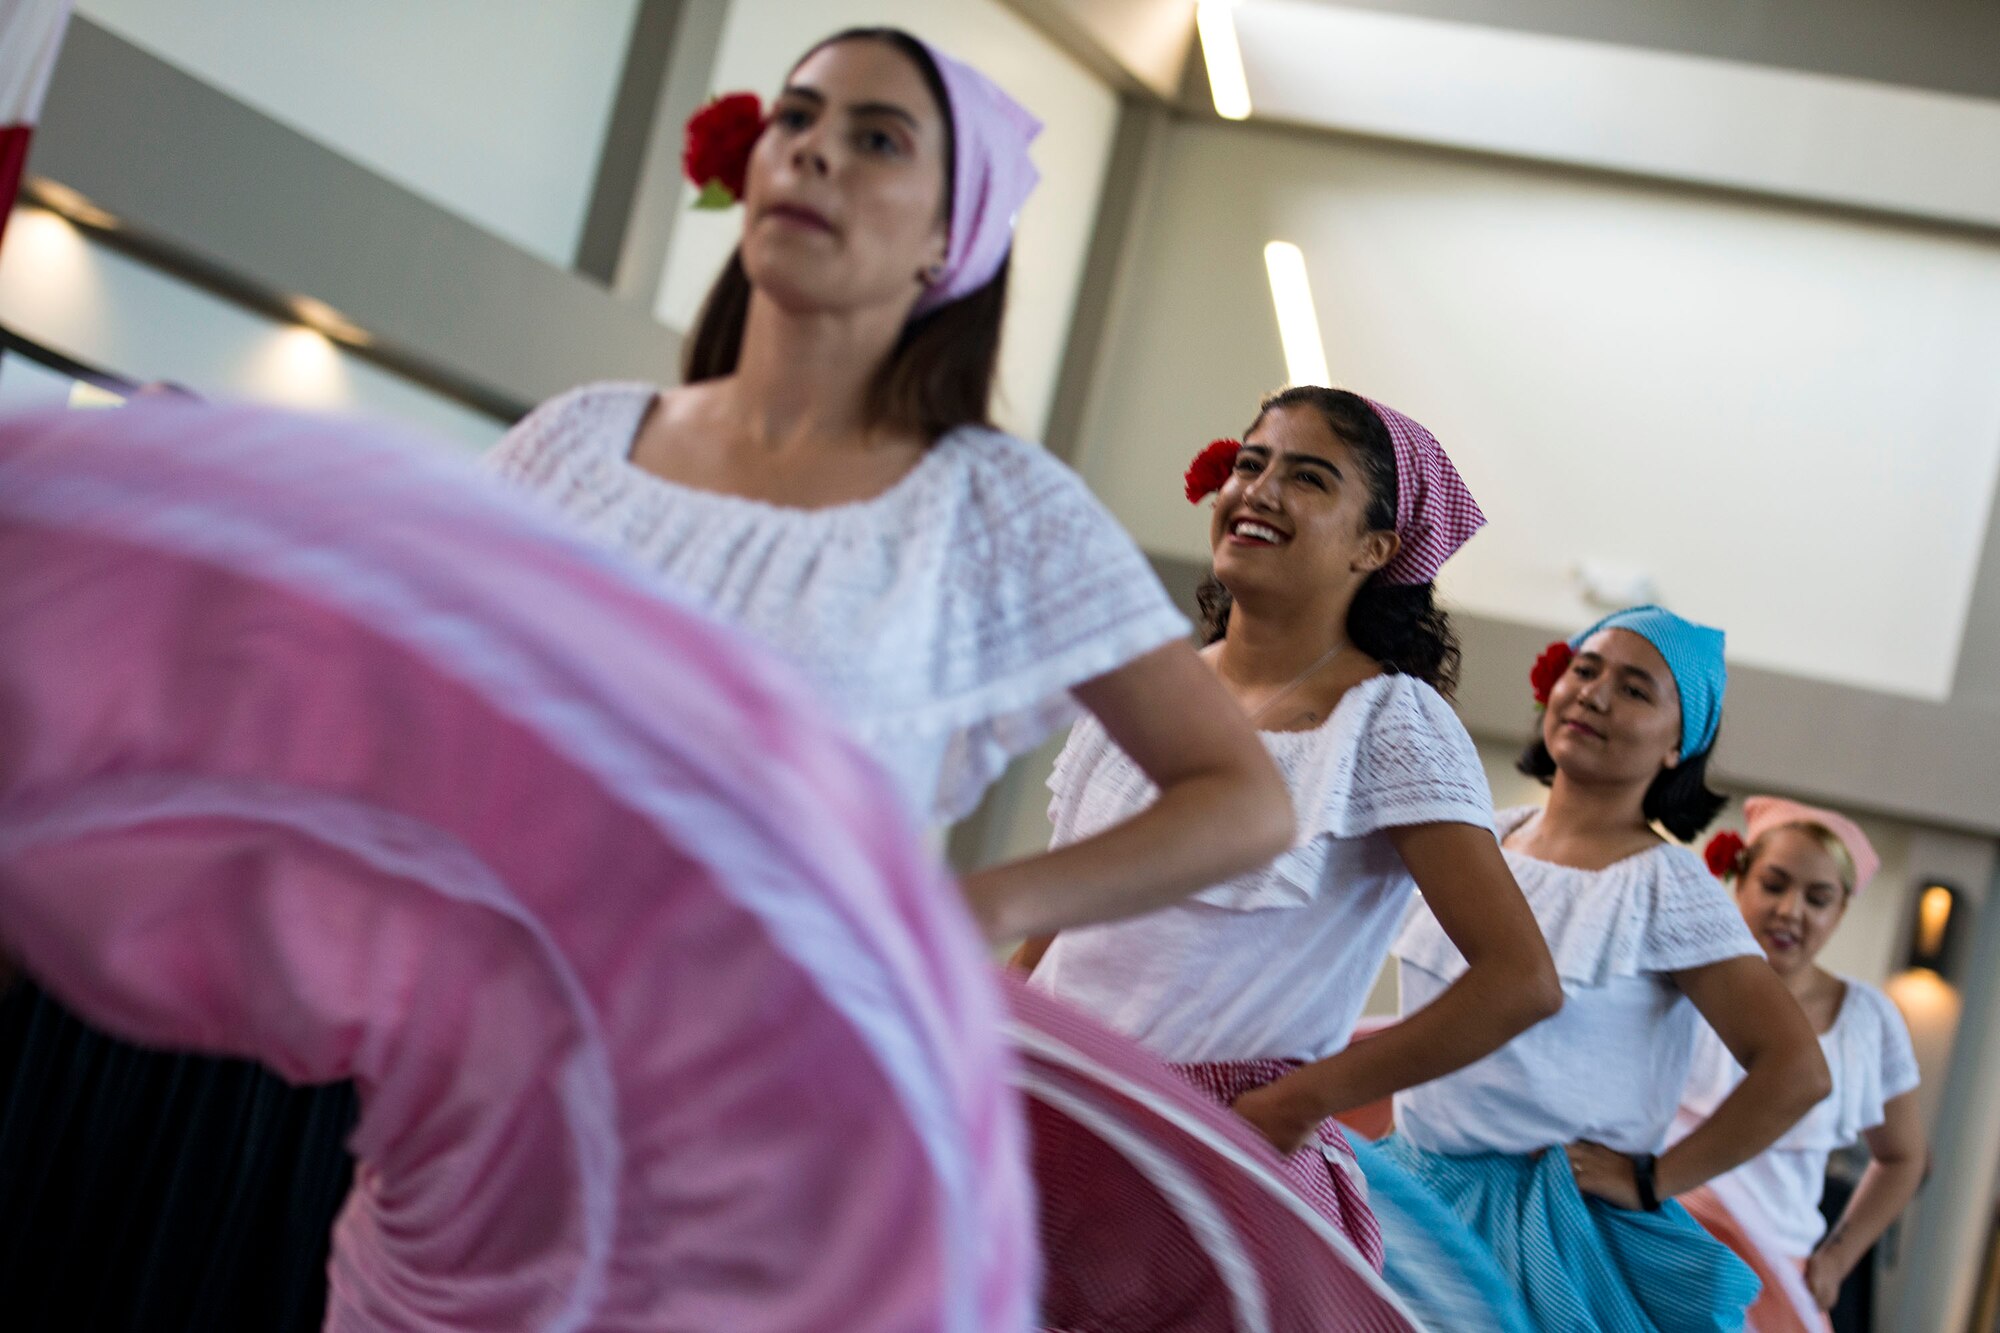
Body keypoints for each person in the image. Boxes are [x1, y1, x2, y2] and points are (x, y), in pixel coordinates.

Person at [486, 27, 1292, 943]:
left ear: (949, 237)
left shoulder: (991, 506)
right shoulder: (575, 441)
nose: (811, 149)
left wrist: (960, 915)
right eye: (795, 117)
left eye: (877, 139)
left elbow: (1244, 801)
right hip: (463, 1003)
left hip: (746, 1045)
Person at [1019, 386, 1561, 1267]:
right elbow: (1057, 923)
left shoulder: (1387, 723)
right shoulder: (1148, 687)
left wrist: (1295, 1103)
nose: (1259, 490)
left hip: (1209, 1149)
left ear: (1375, 548)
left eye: (1308, 478)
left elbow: (1521, 979)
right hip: (1040, 1104)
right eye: (1250, 463)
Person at [1380, 607, 1833, 1332]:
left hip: (1553, 1233)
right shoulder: (1480, 835)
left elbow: (1796, 1067)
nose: (1593, 694)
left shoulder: (1667, 885)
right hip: (1413, 1193)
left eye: (1635, 688)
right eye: (1584, 669)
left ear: (1678, 746)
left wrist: (1652, 1178)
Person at [1673, 798, 1925, 1332]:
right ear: (1738, 880)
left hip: (1773, 1264)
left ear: (1840, 912)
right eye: (1774, 884)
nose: (1791, 911)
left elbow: (1904, 1156)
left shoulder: (1868, 1018)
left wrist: (1838, 1257)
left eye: (1818, 898)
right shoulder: (1676, 980)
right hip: (1659, 1230)